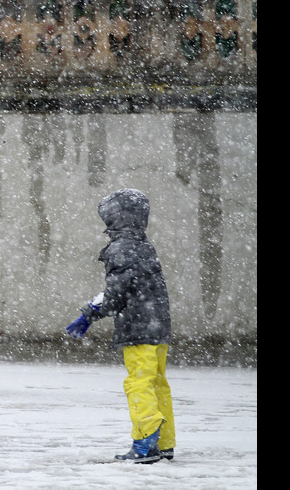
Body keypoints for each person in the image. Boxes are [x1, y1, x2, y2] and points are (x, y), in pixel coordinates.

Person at [65, 188, 176, 464]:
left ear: (116, 218)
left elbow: (116, 294)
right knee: (157, 383)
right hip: (158, 328)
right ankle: (164, 443)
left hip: (139, 329)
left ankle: (145, 443)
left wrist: (90, 312)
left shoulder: (121, 248)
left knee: (138, 384)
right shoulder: (143, 244)